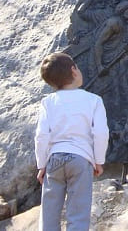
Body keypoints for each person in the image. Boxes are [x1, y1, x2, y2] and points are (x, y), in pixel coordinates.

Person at [34, 52, 109, 231]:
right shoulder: (93, 100)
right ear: (74, 71)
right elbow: (100, 132)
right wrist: (98, 160)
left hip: (54, 159)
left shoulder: (48, 102)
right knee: (78, 212)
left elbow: (41, 135)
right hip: (80, 159)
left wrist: (41, 164)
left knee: (49, 212)